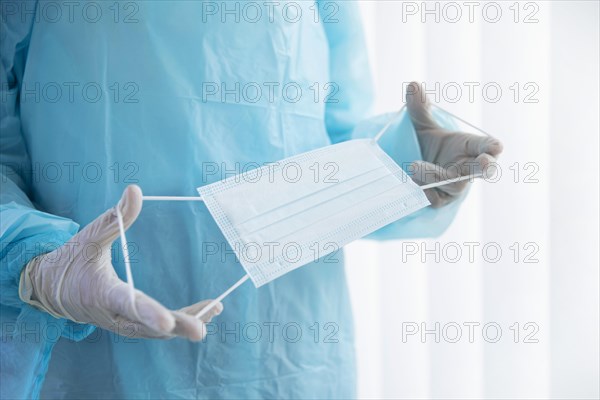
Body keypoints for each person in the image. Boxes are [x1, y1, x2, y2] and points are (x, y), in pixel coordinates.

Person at [1, 1, 502, 399]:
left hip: (292, 358)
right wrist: (38, 263)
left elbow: (330, 143)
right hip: (96, 367)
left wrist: (403, 162)